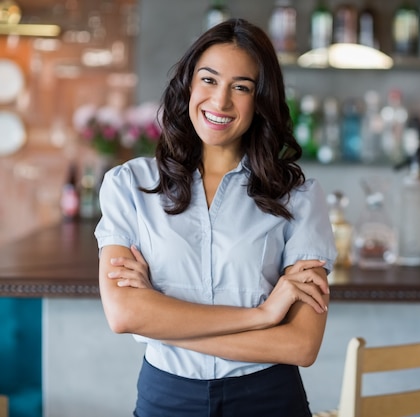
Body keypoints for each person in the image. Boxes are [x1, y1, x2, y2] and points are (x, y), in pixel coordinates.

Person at [95, 18, 337, 417]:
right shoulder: (130, 186)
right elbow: (124, 314)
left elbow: (300, 346)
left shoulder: (299, 198)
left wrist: (159, 319)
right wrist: (263, 316)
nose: (220, 102)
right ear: (189, 84)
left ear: (260, 100)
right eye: (208, 80)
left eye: (241, 87)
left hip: (268, 398)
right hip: (166, 398)